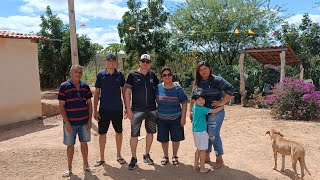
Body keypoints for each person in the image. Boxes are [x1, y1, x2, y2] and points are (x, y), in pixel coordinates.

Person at [190, 61, 234, 169]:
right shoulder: (198, 82)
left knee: (213, 135)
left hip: (216, 113)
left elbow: (231, 89)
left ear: (210, 69)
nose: (203, 71)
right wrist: (191, 111)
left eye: (205, 68)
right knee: (206, 135)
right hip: (202, 114)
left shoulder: (217, 80)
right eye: (201, 69)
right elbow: (193, 97)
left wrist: (222, 102)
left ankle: (219, 159)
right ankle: (206, 157)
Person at [58, 65, 94, 177]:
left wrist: (89, 120)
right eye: (75, 72)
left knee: (84, 144)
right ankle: (69, 168)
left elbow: (89, 104)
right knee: (70, 146)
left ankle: (86, 165)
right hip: (70, 124)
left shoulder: (85, 86)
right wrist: (67, 123)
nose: (78, 74)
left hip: (84, 123)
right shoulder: (64, 87)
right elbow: (61, 106)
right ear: (70, 72)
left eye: (80, 72)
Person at [124, 54, 159, 170]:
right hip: (137, 110)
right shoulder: (132, 75)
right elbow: (127, 92)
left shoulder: (153, 76)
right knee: (134, 134)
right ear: (139, 62)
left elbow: (160, 90)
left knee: (150, 132)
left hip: (151, 110)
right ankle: (133, 158)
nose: (145, 63)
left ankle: (146, 154)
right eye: (143, 61)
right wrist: (128, 109)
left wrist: (173, 84)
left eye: (147, 61)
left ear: (150, 64)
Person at [93, 53, 126, 167]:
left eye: (113, 60)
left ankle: (119, 155)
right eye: (109, 60)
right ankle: (101, 157)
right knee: (102, 133)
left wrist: (127, 107)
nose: (111, 62)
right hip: (104, 109)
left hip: (117, 109)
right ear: (106, 62)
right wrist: (95, 110)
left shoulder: (120, 75)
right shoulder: (100, 75)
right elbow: (97, 93)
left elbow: (124, 91)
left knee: (119, 132)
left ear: (115, 62)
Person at [155, 66, 188, 166]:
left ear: (172, 76)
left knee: (176, 138)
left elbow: (185, 102)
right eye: (164, 75)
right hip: (161, 119)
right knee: (163, 139)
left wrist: (183, 118)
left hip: (176, 119)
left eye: (169, 74)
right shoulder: (157, 88)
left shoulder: (178, 89)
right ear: (161, 77)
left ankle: (174, 156)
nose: (167, 77)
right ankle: (165, 156)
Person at [191, 90, 224, 173]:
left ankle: (196, 165)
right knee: (203, 150)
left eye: (203, 99)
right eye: (199, 100)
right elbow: (213, 111)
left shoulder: (195, 107)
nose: (201, 101)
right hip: (201, 131)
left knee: (198, 149)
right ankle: (202, 168)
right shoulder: (202, 108)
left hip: (196, 131)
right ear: (195, 101)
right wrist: (221, 106)